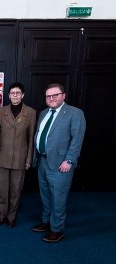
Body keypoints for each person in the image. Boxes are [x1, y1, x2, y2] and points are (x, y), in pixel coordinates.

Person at [31, 83, 86, 243]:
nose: (51, 98)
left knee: (59, 198)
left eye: (55, 95)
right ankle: (47, 222)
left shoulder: (75, 113)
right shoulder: (43, 113)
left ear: (63, 95)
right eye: (48, 96)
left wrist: (69, 160)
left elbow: (77, 140)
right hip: (43, 160)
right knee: (45, 195)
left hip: (61, 163)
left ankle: (57, 230)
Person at [0, 83, 36, 228]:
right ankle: (1, 215)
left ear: (23, 95)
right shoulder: (0, 111)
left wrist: (29, 158)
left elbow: (31, 138)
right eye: (12, 93)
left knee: (16, 190)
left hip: (20, 157)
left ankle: (12, 216)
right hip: (2, 156)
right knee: (2, 189)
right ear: (9, 95)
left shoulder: (30, 112)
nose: (15, 95)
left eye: (18, 93)